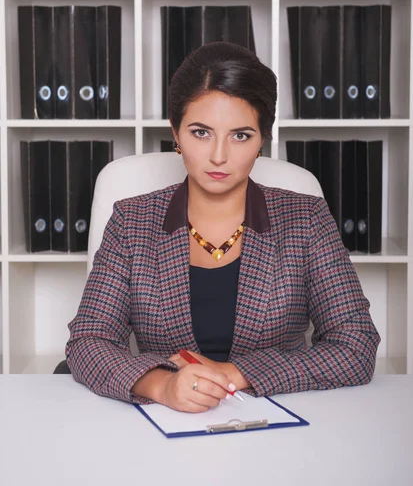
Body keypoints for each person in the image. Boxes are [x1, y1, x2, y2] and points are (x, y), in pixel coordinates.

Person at [65, 41, 380, 413]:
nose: (218, 155)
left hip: (282, 423)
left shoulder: (306, 219)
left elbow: (356, 344)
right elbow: (88, 340)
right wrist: (164, 385)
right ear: (176, 133)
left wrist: (234, 373)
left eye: (240, 135)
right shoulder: (132, 221)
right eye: (201, 132)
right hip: (165, 425)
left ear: (263, 139)